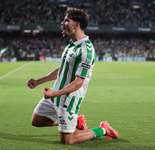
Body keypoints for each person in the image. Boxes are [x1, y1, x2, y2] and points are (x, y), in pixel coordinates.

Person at [27, 7, 119, 145]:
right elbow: (62, 69)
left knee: (68, 141)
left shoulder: (86, 51)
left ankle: (103, 129)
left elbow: (78, 82)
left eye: (66, 20)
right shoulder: (71, 45)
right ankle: (76, 121)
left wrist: (55, 94)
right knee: (36, 121)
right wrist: (38, 81)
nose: (62, 23)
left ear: (76, 25)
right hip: (55, 94)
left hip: (67, 100)